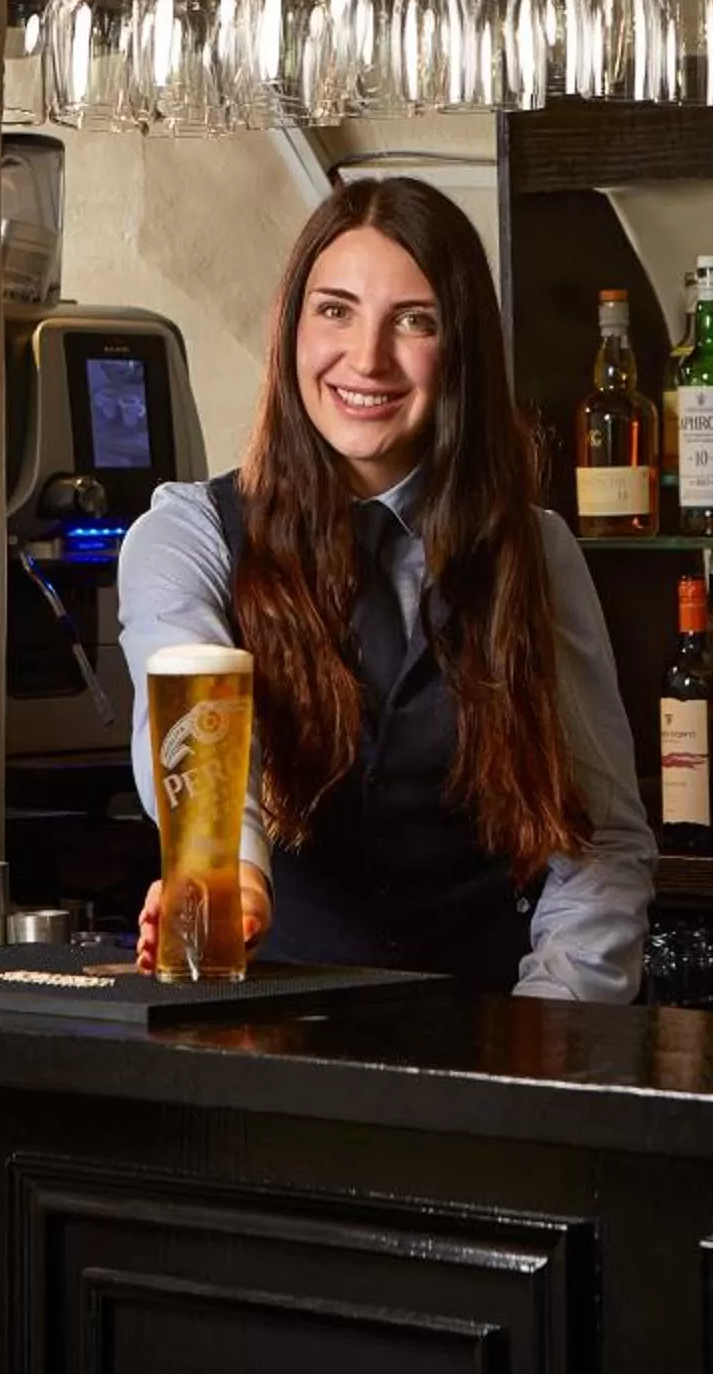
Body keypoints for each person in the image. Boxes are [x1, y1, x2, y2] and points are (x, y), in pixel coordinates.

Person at [116, 177, 654, 1000]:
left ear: (462, 348)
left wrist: (546, 1037)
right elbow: (197, 716)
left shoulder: (532, 553)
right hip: (265, 1050)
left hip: (487, 1048)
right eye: (335, 310)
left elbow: (599, 844)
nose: (366, 358)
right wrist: (233, 875)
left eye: (414, 321)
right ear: (291, 329)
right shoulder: (188, 536)